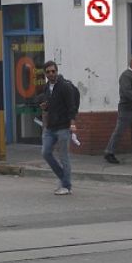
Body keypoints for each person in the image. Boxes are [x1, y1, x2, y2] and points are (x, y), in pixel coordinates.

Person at [40, 60, 80, 195]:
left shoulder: (64, 87)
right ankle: (64, 178)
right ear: (45, 74)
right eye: (48, 72)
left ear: (57, 71)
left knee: (64, 156)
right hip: (50, 126)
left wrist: (72, 124)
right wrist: (45, 107)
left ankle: (66, 186)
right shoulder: (46, 88)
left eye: (53, 71)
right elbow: (48, 106)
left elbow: (72, 107)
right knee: (45, 152)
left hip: (63, 126)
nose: (51, 74)